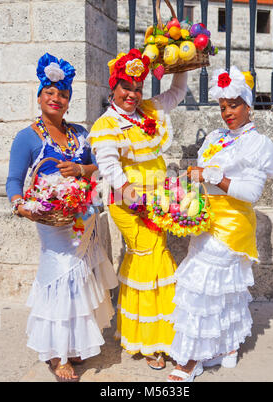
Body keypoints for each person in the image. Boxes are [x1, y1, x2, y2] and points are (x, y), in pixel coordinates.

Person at [6, 53, 118, 382]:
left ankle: (75, 341)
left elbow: (98, 165)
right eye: (50, 92)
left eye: (63, 94)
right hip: (53, 223)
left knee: (81, 276)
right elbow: (14, 181)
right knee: (59, 277)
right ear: (40, 97)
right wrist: (19, 205)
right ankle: (57, 353)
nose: (56, 98)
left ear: (69, 100)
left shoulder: (79, 134)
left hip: (84, 217)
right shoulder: (27, 137)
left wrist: (81, 169)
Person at [167, 66, 273, 381]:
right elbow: (202, 177)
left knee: (201, 284)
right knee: (221, 288)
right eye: (223, 106)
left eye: (234, 104)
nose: (227, 112)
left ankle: (190, 359)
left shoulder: (258, 144)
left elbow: (251, 193)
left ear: (248, 104)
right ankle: (226, 346)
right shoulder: (216, 137)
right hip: (204, 218)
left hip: (231, 223)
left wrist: (212, 175)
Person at [87, 49, 188, 369]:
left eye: (137, 88)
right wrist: (139, 200)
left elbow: (176, 93)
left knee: (150, 258)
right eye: (125, 87)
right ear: (112, 87)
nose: (131, 94)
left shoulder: (147, 110)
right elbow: (111, 171)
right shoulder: (106, 125)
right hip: (129, 204)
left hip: (156, 199)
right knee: (152, 257)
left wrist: (183, 65)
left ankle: (148, 333)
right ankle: (151, 341)